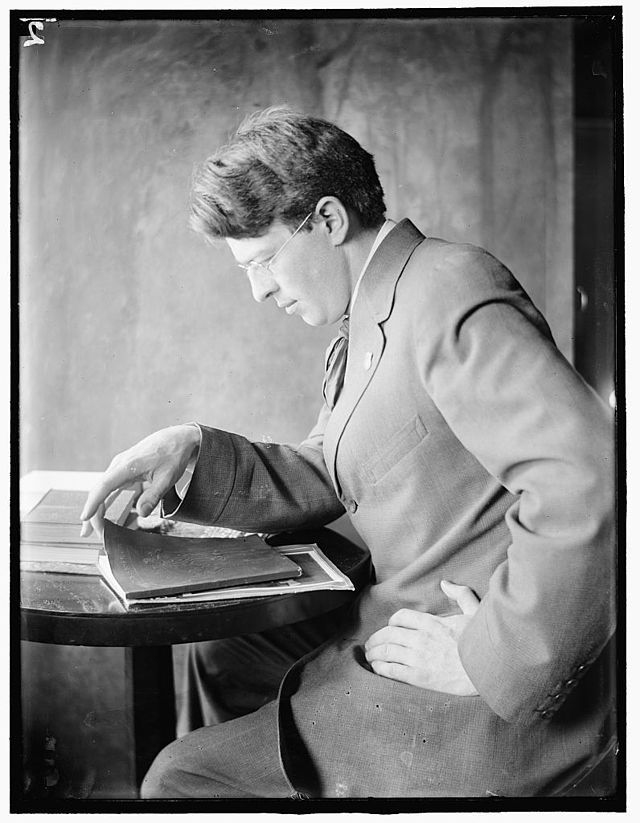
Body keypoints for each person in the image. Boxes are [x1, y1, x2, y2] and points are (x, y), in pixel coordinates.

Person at [80, 106, 616, 798]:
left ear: (329, 220)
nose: (259, 290)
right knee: (223, 654)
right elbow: (333, 466)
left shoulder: (447, 288)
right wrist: (194, 451)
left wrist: (486, 658)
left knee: (178, 779)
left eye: (264, 260)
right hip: (403, 612)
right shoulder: (372, 316)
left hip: (483, 660)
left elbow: (591, 479)